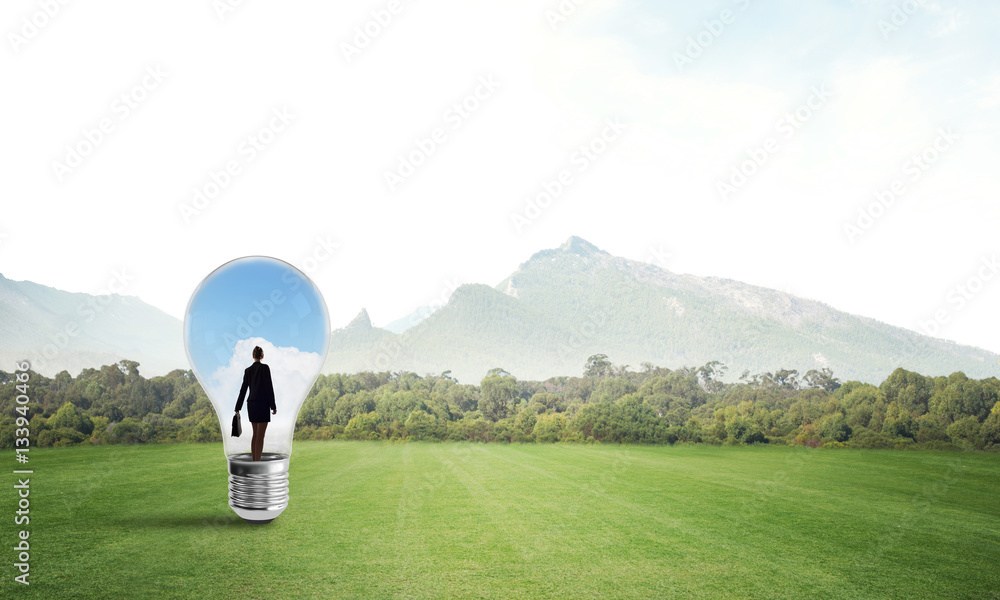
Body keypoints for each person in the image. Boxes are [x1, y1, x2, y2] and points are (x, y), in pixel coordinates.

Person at [234, 346, 276, 461]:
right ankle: (257, 463)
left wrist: (238, 406)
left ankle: (254, 461)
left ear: (253, 356)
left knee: (255, 434)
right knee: (260, 436)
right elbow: (269, 387)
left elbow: (243, 390)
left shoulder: (248, 370)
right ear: (262, 356)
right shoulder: (265, 368)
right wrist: (273, 406)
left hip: (251, 404)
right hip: (263, 403)